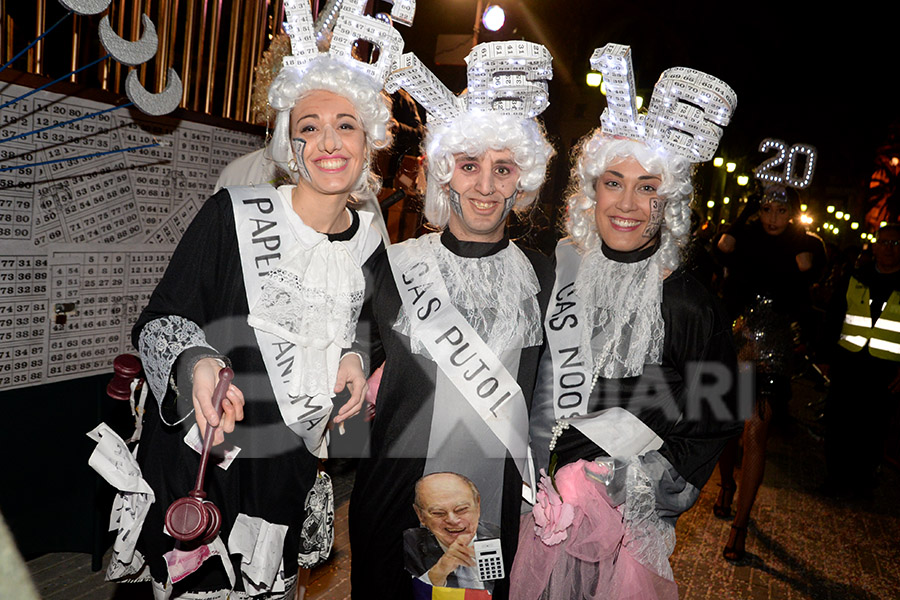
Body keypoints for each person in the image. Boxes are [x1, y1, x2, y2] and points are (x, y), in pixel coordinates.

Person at [123, 4, 413, 598]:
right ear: (289, 141)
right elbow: (160, 320)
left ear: (369, 142)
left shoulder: (371, 246)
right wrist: (195, 362)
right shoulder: (231, 215)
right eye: (308, 127)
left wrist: (356, 359)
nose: (328, 141)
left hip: (285, 472)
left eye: (346, 125)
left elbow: (370, 331)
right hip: (205, 461)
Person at [515, 44, 742, 599]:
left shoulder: (689, 301)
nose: (629, 204)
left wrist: (639, 481)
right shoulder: (558, 271)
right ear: (590, 192)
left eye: (649, 189)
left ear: (670, 204)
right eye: (614, 182)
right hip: (538, 505)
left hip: (622, 526)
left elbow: (721, 410)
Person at [339, 40, 556, 600]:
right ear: (444, 174)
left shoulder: (548, 278)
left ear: (521, 181)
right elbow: (341, 359)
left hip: (499, 507)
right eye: (469, 166)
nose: (485, 186)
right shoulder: (393, 268)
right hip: (395, 500)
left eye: (502, 169)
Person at [713, 182, 826, 561]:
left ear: (793, 213)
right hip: (733, 337)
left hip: (773, 347)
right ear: (756, 211)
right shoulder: (741, 236)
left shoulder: (807, 245)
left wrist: (795, 242)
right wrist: (743, 218)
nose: (773, 218)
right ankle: (726, 485)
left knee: (756, 430)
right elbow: (721, 249)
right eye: (766, 210)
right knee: (724, 425)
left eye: (782, 211)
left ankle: (740, 526)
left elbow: (808, 270)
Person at [823, 223, 900, 495]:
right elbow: (834, 318)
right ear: (875, 246)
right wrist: (827, 357)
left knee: (872, 429)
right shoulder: (856, 277)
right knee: (839, 423)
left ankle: (862, 481)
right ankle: (835, 477)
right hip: (849, 365)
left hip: (884, 373)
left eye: (895, 243)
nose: (889, 249)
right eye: (884, 242)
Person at [404, 472, 499, 594]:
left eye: (461, 510)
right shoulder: (407, 545)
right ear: (420, 515)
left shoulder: (503, 536)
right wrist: (439, 572)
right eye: (438, 513)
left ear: (478, 505)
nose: (452, 520)